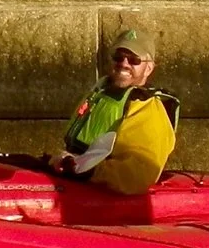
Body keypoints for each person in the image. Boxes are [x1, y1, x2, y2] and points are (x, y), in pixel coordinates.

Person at [54, 27, 181, 194]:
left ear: (149, 68)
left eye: (134, 60)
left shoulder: (147, 108)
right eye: (118, 57)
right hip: (77, 180)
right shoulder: (101, 92)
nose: (124, 64)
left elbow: (138, 174)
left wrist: (87, 171)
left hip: (104, 190)